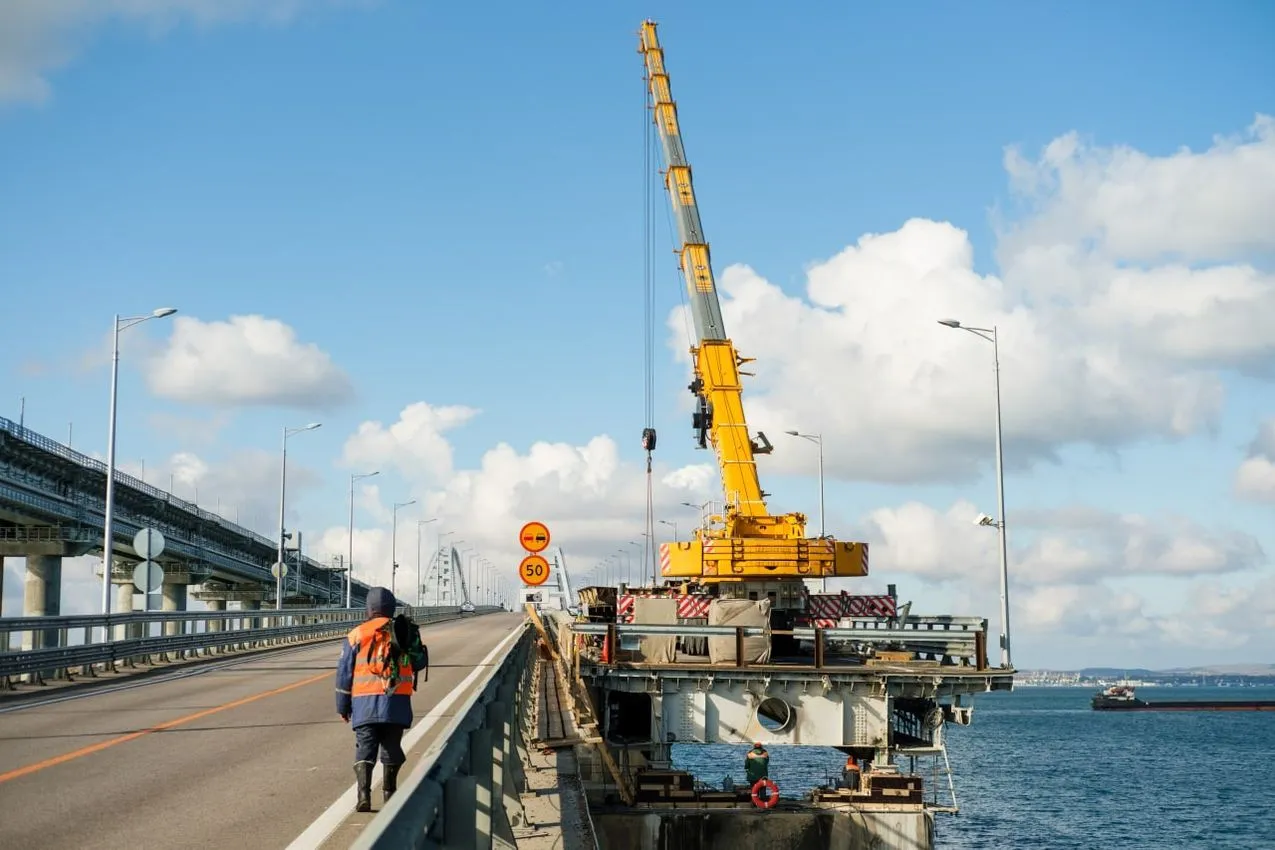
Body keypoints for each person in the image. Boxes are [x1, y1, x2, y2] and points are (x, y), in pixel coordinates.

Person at [336, 586, 424, 812]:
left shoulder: (356, 634)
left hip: (363, 704)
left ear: (368, 608)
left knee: (365, 747)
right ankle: (390, 795)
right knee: (391, 746)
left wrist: (342, 707)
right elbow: (419, 663)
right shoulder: (404, 631)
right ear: (392, 607)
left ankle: (363, 795)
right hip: (396, 702)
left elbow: (345, 673)